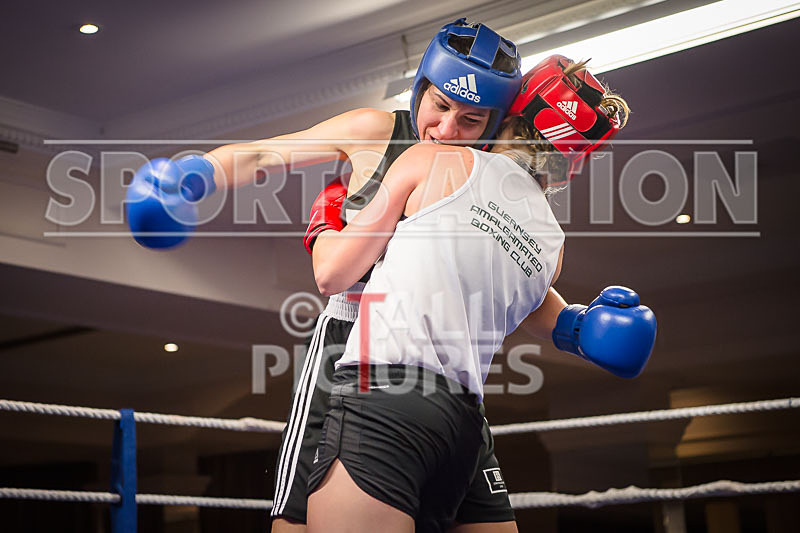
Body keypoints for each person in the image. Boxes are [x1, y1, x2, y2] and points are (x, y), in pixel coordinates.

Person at [125, 19, 546, 532]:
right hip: (350, 341)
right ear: (420, 90)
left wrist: (575, 325)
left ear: (495, 122)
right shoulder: (376, 130)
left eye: (471, 119)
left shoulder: (484, 179)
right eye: (439, 106)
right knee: (298, 522)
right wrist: (196, 177)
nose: (445, 130)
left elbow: (521, 273)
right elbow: (265, 153)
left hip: (442, 367)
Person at [303, 55, 657, 533]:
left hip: (385, 399)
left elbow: (333, 276)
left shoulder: (432, 159)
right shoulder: (552, 244)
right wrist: (579, 328)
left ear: (509, 114)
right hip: (465, 426)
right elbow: (532, 303)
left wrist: (324, 222)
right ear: (574, 157)